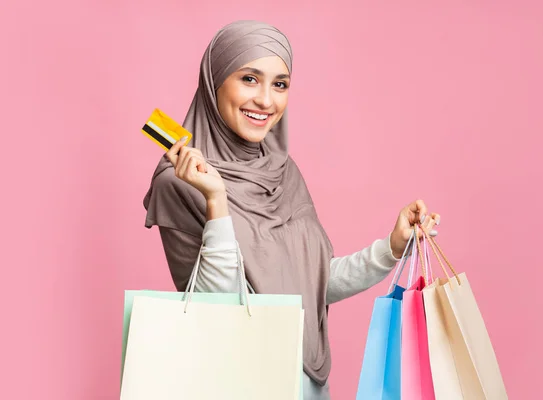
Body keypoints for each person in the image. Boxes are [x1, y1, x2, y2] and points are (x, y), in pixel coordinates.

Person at [142, 20, 441, 400]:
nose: (267, 100)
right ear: (214, 82)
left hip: (306, 387)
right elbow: (216, 309)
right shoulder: (180, 183)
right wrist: (216, 201)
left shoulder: (283, 172)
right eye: (249, 79)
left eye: (280, 84)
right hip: (237, 384)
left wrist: (391, 248)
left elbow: (311, 285)